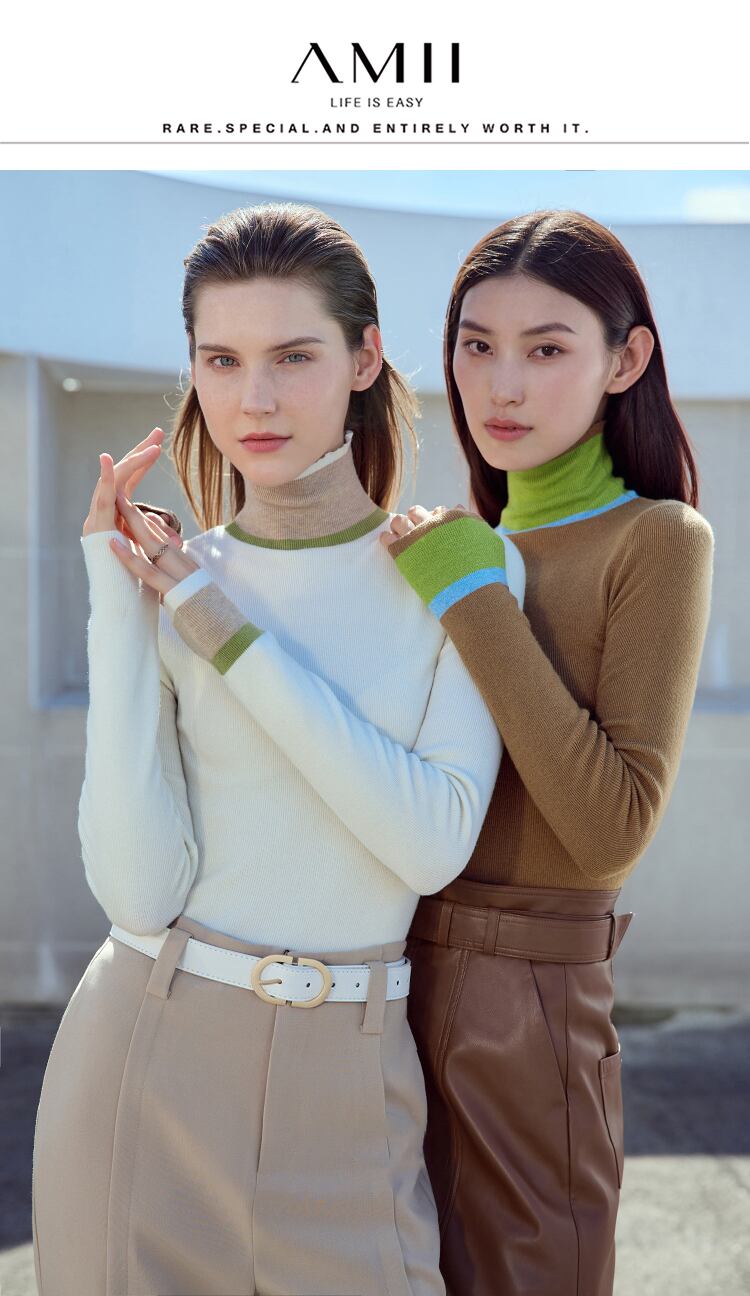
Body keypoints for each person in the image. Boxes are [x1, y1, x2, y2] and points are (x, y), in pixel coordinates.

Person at [30, 203, 526, 1296]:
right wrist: (119, 597)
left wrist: (227, 636)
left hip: (353, 1086)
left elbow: (430, 842)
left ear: (365, 358)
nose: (254, 399)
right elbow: (136, 889)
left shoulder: (459, 564)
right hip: (145, 1060)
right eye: (222, 360)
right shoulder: (172, 579)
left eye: (293, 356)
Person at [379, 209, 715, 1296]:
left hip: (524, 1001)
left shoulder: (655, 539)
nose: (503, 384)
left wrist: (472, 596)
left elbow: (608, 829)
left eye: (547, 347)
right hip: (377, 979)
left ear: (627, 359)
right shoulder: (452, 550)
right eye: (477, 345)